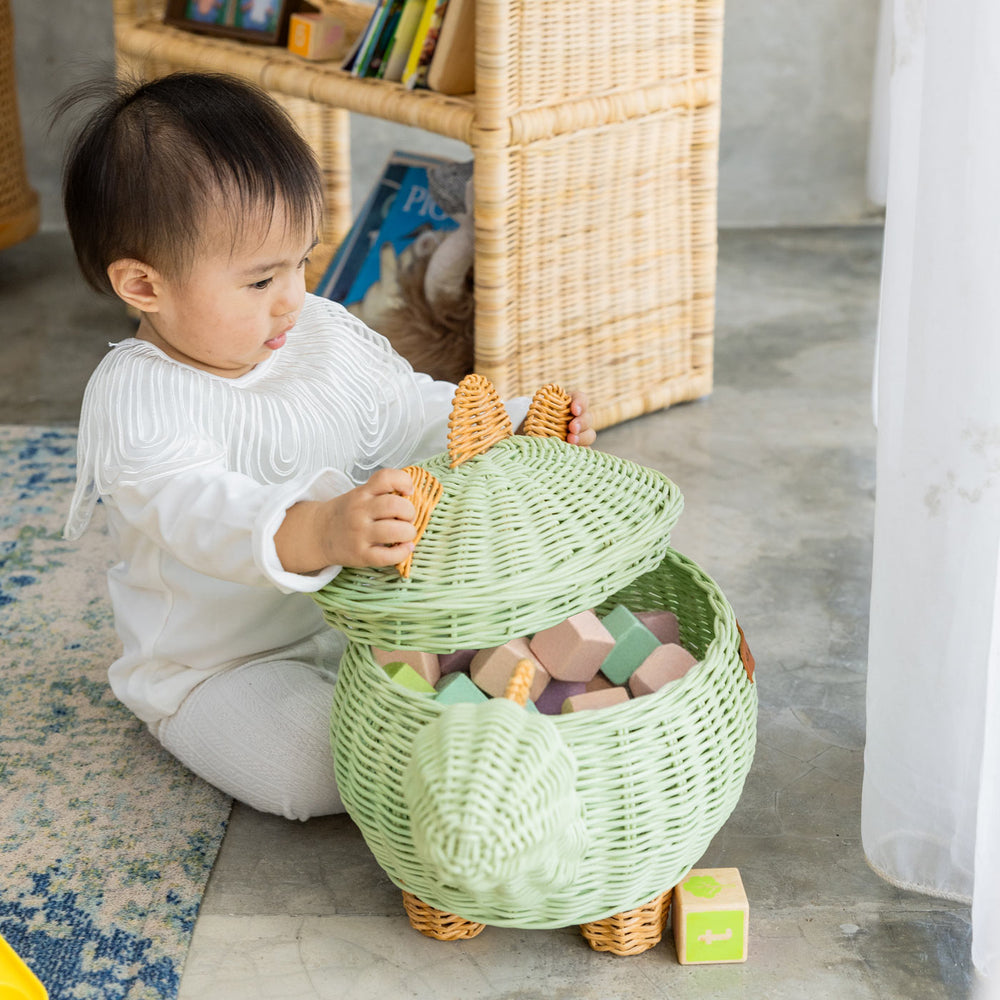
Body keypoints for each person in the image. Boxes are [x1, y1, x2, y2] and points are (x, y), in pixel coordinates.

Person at [58, 72, 595, 821]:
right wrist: (321, 528)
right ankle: (424, 755)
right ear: (144, 286)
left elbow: (405, 408)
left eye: (301, 262)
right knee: (316, 769)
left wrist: (508, 419)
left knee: (494, 643)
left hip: (356, 622)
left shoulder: (314, 330)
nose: (293, 297)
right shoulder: (139, 397)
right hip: (223, 667)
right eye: (259, 280)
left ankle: (470, 736)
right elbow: (202, 513)